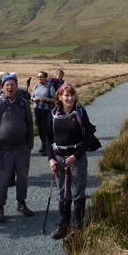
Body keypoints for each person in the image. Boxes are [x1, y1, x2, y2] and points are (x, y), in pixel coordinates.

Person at [0, 74, 35, 223]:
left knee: (22, 179)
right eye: (7, 85)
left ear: (16, 86)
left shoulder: (23, 103)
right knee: (1, 180)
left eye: (12, 84)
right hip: (3, 149)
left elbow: (29, 125)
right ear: (2, 87)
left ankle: (21, 203)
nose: (10, 87)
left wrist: (29, 145)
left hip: (21, 149)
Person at [46, 84, 92, 240]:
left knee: (78, 192)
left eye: (72, 95)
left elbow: (87, 138)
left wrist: (76, 156)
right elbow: (48, 138)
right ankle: (62, 225)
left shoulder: (80, 112)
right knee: (63, 192)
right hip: (59, 158)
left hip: (77, 157)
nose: (70, 98)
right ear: (60, 97)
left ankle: (76, 227)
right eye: (66, 95)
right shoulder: (53, 114)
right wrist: (51, 158)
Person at [31, 71, 55, 155]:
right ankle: (43, 144)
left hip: (46, 110)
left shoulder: (49, 86)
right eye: (38, 77)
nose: (39, 78)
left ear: (45, 77)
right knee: (39, 128)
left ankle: (47, 147)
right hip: (37, 109)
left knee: (46, 128)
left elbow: (54, 100)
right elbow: (32, 96)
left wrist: (46, 99)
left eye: (41, 76)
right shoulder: (36, 86)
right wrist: (34, 99)